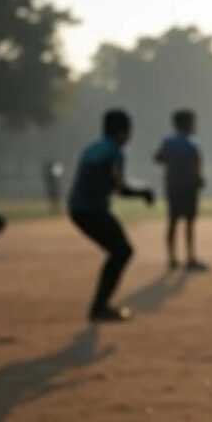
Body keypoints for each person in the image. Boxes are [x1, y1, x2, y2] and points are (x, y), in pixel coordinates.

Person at [68, 109, 154, 323]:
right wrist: (144, 192)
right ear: (122, 132)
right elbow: (120, 188)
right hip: (91, 210)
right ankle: (99, 308)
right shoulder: (114, 152)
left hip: (80, 208)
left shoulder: (94, 149)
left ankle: (100, 306)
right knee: (122, 251)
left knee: (119, 251)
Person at [154, 109, 206, 271]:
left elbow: (158, 158)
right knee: (189, 223)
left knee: (173, 221)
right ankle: (190, 257)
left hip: (173, 187)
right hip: (189, 188)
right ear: (188, 124)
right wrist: (198, 179)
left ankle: (172, 258)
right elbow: (197, 166)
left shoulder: (168, 142)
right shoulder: (193, 144)